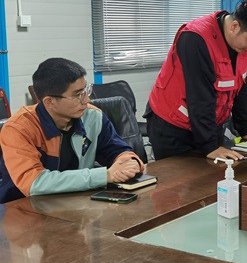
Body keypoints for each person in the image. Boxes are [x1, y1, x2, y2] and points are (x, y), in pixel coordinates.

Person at [146, 0, 247, 161]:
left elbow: (242, 85)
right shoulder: (195, 38)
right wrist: (209, 146)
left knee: (220, 171)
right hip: (173, 126)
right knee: (185, 177)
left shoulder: (243, 46)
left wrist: (245, 129)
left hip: (207, 125)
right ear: (234, 26)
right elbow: (199, 95)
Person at [0, 58, 144, 204]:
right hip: (23, 208)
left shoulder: (93, 117)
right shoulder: (19, 129)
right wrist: (104, 176)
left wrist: (129, 162)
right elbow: (34, 183)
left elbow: (118, 151)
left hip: (76, 203)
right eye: (77, 95)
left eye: (86, 91)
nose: (87, 100)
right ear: (50, 102)